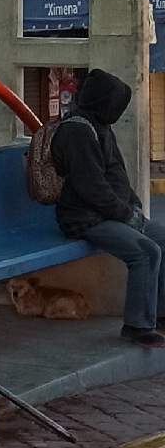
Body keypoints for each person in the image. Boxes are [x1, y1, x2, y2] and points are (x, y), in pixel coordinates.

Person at [52, 69, 165, 348]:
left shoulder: (99, 124)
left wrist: (134, 207)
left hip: (112, 213)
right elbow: (92, 189)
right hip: (85, 218)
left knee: (162, 238)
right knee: (145, 252)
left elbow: (117, 174)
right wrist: (127, 215)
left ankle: (160, 314)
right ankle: (137, 325)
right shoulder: (78, 131)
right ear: (104, 101)